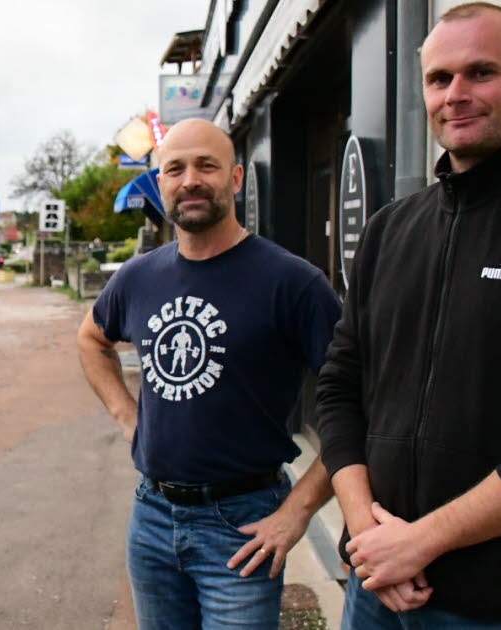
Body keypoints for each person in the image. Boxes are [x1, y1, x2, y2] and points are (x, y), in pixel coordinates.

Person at [316, 3, 501, 628]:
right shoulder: (391, 229)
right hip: (377, 590)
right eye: (439, 79)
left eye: (481, 72)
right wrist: (369, 534)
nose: (456, 95)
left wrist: (421, 541)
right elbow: (340, 388)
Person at [76, 118, 341, 628]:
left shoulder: (293, 283)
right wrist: (126, 416)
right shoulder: (138, 276)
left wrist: (299, 510)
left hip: (244, 524)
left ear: (236, 179)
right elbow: (91, 338)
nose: (190, 179)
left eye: (207, 165)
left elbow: (360, 401)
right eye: (174, 169)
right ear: (160, 184)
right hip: (152, 516)